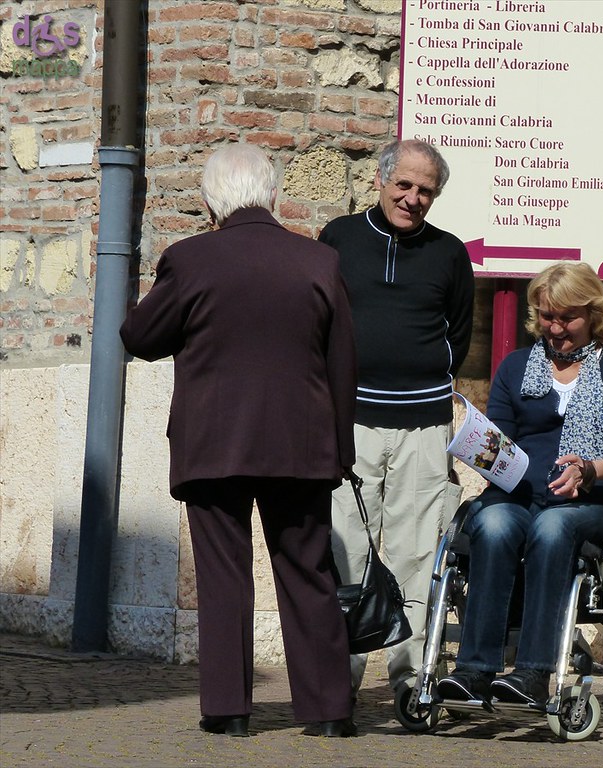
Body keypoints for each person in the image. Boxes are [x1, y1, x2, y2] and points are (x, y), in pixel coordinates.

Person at [120, 143, 358, 738]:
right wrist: (341, 452)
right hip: (301, 445)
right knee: (308, 570)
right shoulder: (317, 261)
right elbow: (342, 364)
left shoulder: (189, 259)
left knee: (224, 573)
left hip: (214, 443)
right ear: (273, 194)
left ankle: (228, 710)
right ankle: (328, 713)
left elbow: (140, 337)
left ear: (208, 203)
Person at [437, 262, 603, 705]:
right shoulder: (518, 366)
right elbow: (499, 435)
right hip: (519, 492)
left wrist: (593, 469)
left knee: (552, 528)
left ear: (594, 313)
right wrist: (484, 452)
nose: (555, 328)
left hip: (589, 503)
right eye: (546, 316)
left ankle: (533, 673)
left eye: (567, 318)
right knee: (494, 525)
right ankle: (474, 670)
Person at [317, 139, 475, 698]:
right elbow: (322, 319)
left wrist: (421, 377)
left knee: (415, 554)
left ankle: (411, 679)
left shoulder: (450, 254)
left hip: (423, 426)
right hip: (351, 421)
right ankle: (340, 682)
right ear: (381, 180)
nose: (412, 199)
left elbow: (459, 335)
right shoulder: (338, 237)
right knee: (346, 553)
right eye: (404, 185)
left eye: (425, 191)